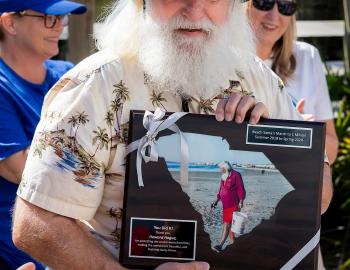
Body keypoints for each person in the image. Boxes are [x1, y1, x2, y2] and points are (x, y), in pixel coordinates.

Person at [12, 1, 333, 269]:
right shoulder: (97, 85)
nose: (194, 10)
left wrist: (273, 145)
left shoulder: (258, 78)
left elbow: (320, 195)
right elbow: (36, 222)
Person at [0, 0, 86, 269]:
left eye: (63, 19)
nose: (59, 27)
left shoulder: (67, 73)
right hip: (20, 254)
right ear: (10, 22)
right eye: (49, 18)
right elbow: (20, 169)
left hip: (74, 240)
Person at [247, 0, 339, 164]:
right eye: (264, 2)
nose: (274, 15)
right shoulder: (223, 60)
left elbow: (331, 151)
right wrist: (290, 131)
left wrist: (305, 132)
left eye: (285, 6)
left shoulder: (308, 56)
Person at [211, 161, 245, 252]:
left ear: (225, 167)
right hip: (225, 205)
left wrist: (241, 201)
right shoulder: (223, 176)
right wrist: (217, 200)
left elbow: (240, 188)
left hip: (234, 204)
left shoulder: (236, 175)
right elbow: (220, 189)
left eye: (221, 168)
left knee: (227, 224)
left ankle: (220, 245)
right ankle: (233, 244)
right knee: (231, 226)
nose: (220, 170)